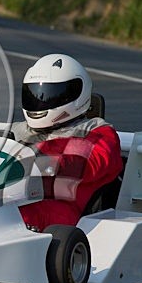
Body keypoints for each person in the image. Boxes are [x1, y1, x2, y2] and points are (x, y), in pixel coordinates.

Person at [11, 54, 123, 231]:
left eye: (50, 95)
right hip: (11, 201)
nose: (40, 101)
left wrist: (32, 160)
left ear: (76, 94)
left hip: (62, 209)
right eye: (34, 94)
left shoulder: (96, 131)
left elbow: (84, 162)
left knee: (14, 217)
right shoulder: (16, 130)